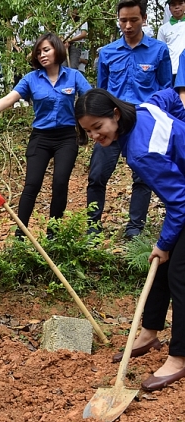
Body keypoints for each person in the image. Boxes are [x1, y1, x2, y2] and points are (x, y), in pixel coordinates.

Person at [75, 88, 185, 391]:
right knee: (161, 267)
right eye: (88, 131)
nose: (95, 136)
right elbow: (171, 97)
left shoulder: (141, 152)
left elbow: (180, 202)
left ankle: (179, 356)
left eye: (98, 127)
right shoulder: (146, 108)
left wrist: (163, 244)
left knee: (179, 272)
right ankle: (149, 331)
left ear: (115, 114)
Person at [0, 33, 92, 238]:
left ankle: (53, 233)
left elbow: (91, 97)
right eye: (38, 52)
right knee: (32, 184)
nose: (42, 55)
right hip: (41, 137)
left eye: (46, 50)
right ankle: (21, 234)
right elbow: (11, 97)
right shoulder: (31, 78)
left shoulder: (74, 76)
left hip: (66, 137)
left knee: (60, 182)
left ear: (57, 49)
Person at [86, 0, 172, 239]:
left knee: (143, 177)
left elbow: (166, 90)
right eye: (123, 20)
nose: (127, 25)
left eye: (133, 20)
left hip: (142, 125)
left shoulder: (159, 50)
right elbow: (101, 92)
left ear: (143, 18)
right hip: (110, 123)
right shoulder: (107, 53)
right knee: (97, 175)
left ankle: (135, 229)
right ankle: (92, 227)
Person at [157, 0, 185, 86]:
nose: (177, 7)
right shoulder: (163, 29)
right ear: (169, 8)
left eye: (180, 4)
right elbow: (160, 51)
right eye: (173, 5)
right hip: (171, 70)